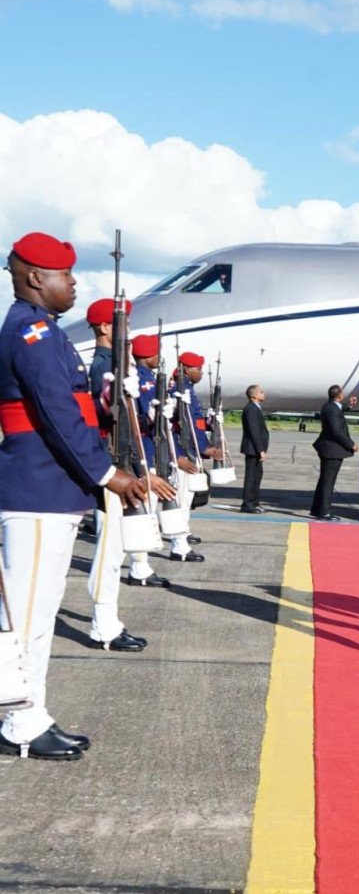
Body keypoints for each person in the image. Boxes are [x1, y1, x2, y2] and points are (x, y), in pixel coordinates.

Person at [0, 232, 149, 760]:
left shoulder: (43, 331)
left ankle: (29, 711)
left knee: (38, 611)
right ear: (36, 278)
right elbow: (57, 415)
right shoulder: (32, 333)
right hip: (38, 488)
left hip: (50, 488)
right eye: (65, 275)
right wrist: (107, 474)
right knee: (28, 613)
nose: (73, 284)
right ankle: (19, 719)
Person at [86, 303, 170, 636]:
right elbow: (105, 426)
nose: (129, 330)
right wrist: (129, 471)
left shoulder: (117, 366)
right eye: (124, 322)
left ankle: (107, 618)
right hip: (111, 470)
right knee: (109, 551)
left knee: (115, 548)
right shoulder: (102, 367)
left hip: (121, 467)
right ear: (105, 328)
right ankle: (103, 623)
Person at [168, 351, 222, 559]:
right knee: (181, 499)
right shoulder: (181, 391)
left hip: (190, 451)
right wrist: (204, 448)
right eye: (198, 369)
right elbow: (185, 427)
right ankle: (179, 546)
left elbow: (196, 423)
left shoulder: (187, 389)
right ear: (188, 369)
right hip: (184, 452)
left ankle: (182, 537)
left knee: (187, 497)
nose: (201, 373)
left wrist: (210, 422)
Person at [310, 384, 358, 520]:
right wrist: (351, 444)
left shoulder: (329, 406)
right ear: (340, 395)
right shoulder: (332, 409)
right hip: (332, 450)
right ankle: (324, 512)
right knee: (328, 482)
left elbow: (339, 411)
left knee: (324, 480)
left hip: (328, 449)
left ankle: (317, 509)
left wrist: (349, 406)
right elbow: (337, 431)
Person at [240, 384, 269, 513]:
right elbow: (254, 431)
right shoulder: (251, 409)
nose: (264, 394)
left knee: (257, 476)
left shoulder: (256, 408)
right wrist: (260, 449)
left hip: (256, 448)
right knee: (251, 477)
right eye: (261, 392)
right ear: (255, 395)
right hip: (253, 449)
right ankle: (247, 504)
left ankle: (255, 502)